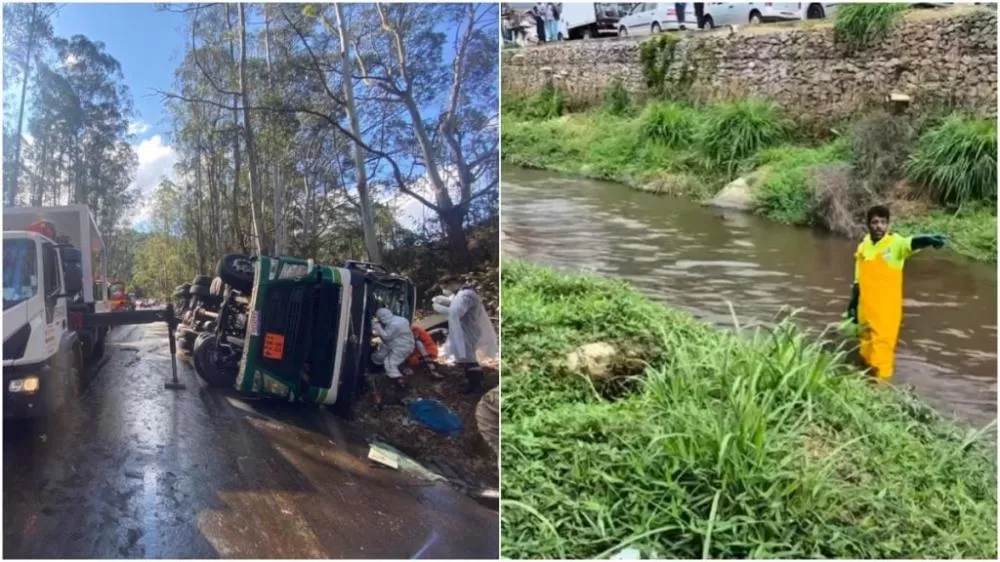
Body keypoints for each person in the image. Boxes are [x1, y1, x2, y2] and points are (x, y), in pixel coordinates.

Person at [845, 205, 946, 380]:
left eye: (883, 222)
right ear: (868, 225)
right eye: (875, 222)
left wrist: (928, 239)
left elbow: (911, 242)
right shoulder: (864, 246)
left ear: (888, 225)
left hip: (885, 314)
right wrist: (852, 305)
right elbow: (858, 279)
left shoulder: (895, 245)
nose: (879, 226)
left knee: (882, 355)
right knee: (865, 349)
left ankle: (882, 392)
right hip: (865, 310)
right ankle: (863, 384)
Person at [432, 277, 498, 395]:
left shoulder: (466, 295)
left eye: (445, 287)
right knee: (466, 358)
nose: (445, 290)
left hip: (469, 331)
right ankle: (473, 382)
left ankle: (476, 385)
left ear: (453, 283)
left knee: (469, 359)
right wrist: (445, 301)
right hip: (466, 330)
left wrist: (440, 308)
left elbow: (457, 312)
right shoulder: (463, 294)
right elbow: (456, 305)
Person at [371, 308, 415, 389]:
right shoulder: (401, 320)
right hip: (402, 345)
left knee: (390, 363)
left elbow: (386, 337)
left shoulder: (394, 324)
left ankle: (400, 382)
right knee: (382, 358)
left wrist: (377, 327)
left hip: (401, 347)